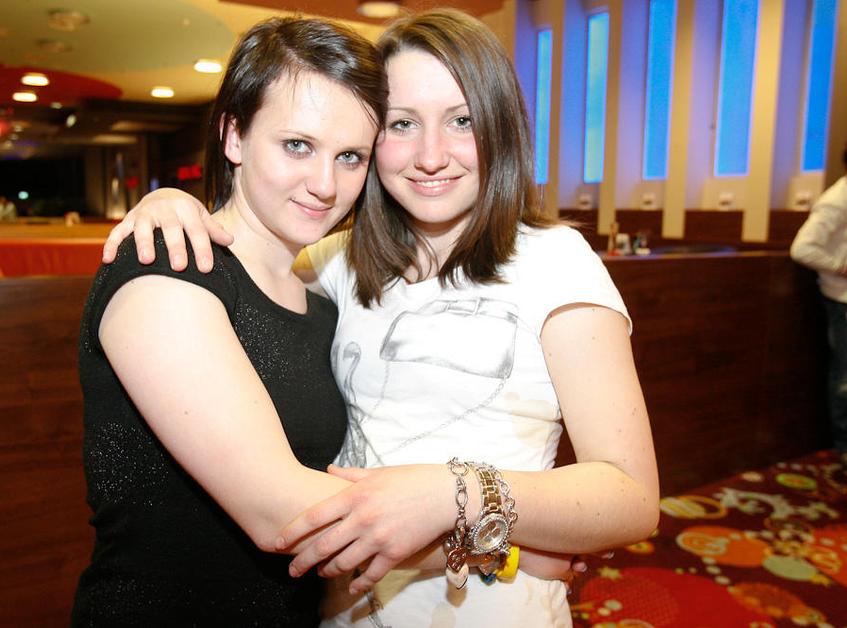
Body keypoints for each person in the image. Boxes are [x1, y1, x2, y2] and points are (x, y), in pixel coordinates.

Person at [103, 9, 659, 627]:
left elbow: (632, 496)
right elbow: (237, 261)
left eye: (462, 121)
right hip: (337, 610)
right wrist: (168, 202)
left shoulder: (554, 260)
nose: (430, 155)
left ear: (499, 126)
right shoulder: (332, 262)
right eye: (402, 124)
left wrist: (454, 493)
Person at [72, 16, 392, 625]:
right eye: (297, 145)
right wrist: (487, 527)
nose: (325, 185)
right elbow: (281, 512)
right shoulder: (167, 267)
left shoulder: (321, 304)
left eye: (350, 157)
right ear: (234, 136)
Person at [790, 145, 847, 462]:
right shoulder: (837, 199)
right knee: (845, 377)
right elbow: (802, 249)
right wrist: (841, 267)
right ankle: (843, 449)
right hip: (841, 299)